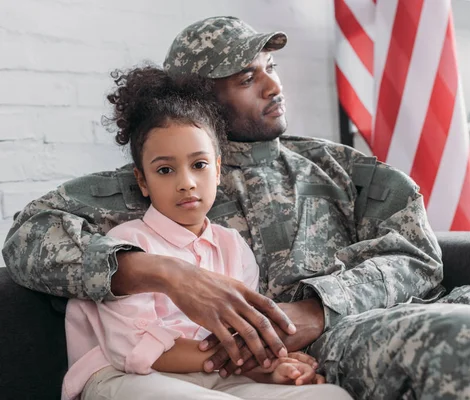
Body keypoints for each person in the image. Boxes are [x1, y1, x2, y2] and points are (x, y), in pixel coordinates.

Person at [3, 15, 470, 399]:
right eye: (246, 76)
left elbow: (416, 252)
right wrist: (162, 271)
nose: (272, 86)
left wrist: (317, 308)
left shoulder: (339, 165)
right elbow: (28, 237)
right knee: (463, 333)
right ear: (196, 96)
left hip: (376, 311)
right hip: (331, 351)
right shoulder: (162, 177)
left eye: (272, 68)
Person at [61, 65, 351, 400]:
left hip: (215, 376)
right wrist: (250, 359)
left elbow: (238, 337)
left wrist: (273, 367)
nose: (186, 182)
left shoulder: (233, 247)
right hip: (123, 377)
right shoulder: (128, 247)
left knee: (329, 395)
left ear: (216, 170)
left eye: (198, 165)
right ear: (142, 181)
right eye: (166, 170)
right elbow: (136, 349)